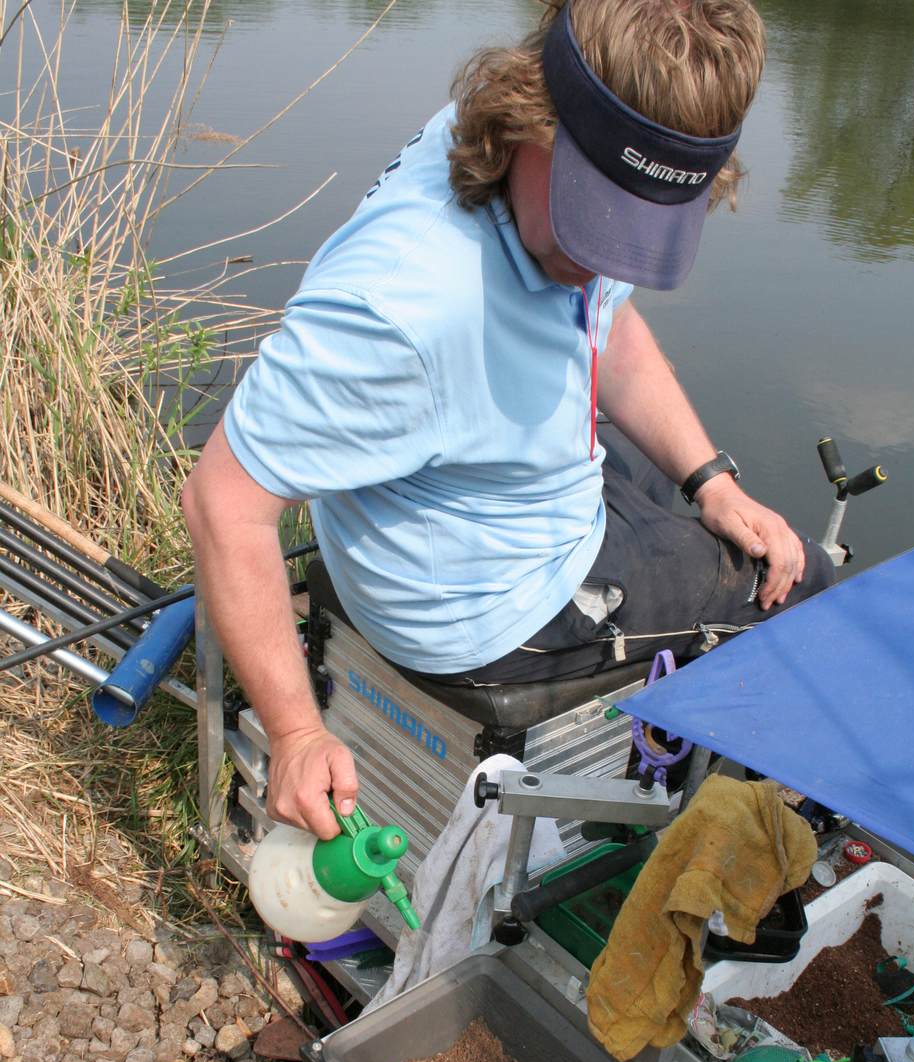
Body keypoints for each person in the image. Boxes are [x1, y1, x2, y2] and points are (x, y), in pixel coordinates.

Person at [182, 0, 835, 840]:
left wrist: (709, 478)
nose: (604, 259)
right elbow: (224, 503)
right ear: (533, 117)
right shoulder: (406, 307)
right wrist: (298, 732)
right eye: (594, 220)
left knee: (693, 506)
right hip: (483, 608)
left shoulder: (494, 138)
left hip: (499, 490)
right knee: (803, 581)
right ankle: (777, 839)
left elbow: (608, 322)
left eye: (636, 232)